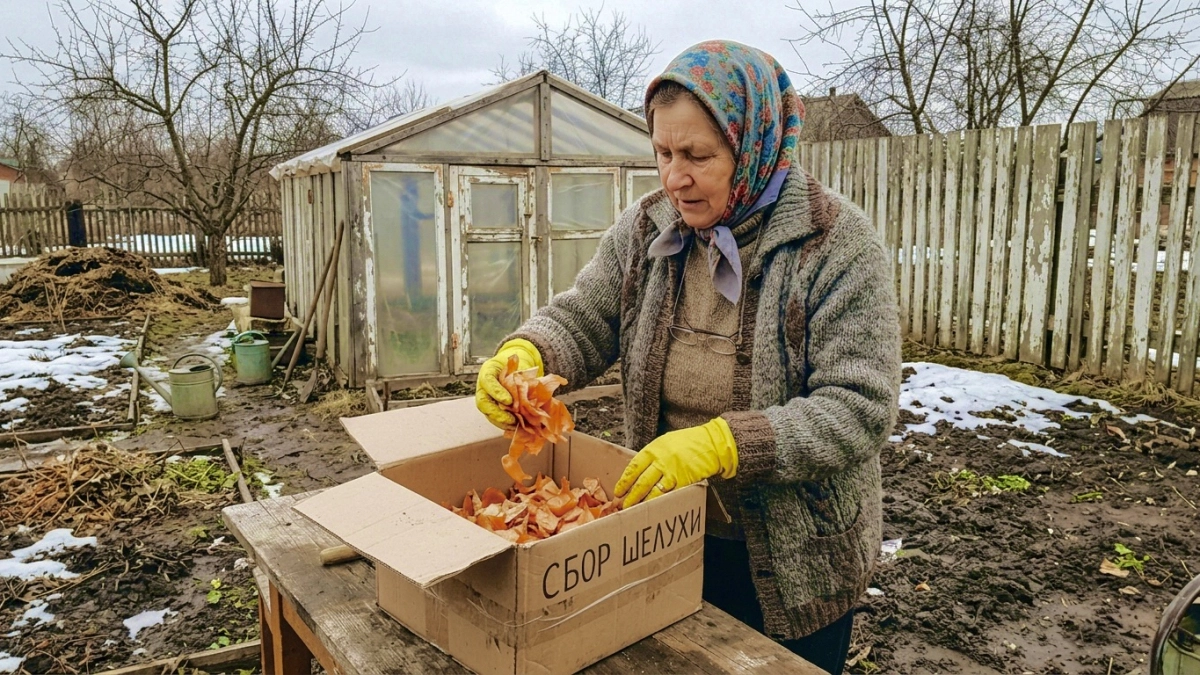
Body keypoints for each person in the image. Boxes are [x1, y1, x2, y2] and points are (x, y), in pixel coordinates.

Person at [475, 40, 900, 675]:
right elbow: (587, 314)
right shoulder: (649, 227)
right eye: (663, 153)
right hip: (668, 534)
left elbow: (859, 407)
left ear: (751, 145)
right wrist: (526, 351)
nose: (675, 177)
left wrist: (726, 444)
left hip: (795, 558)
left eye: (698, 155)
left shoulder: (835, 244)